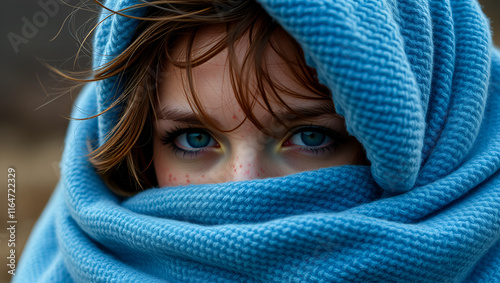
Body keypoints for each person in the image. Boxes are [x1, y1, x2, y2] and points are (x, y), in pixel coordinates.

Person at [14, 0, 500, 282]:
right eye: (193, 138)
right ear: (140, 151)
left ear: (428, 139)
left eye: (310, 136)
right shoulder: (73, 258)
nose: (242, 187)